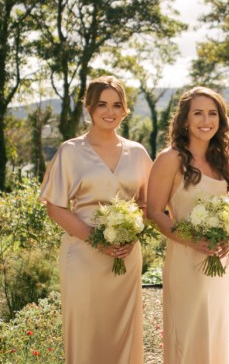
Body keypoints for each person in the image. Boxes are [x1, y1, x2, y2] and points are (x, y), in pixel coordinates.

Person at [40, 75, 151, 363]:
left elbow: (147, 203)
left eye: (117, 105)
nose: (109, 111)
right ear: (88, 107)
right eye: (101, 104)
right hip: (83, 255)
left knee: (123, 331)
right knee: (86, 330)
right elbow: (56, 208)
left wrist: (133, 232)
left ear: (125, 110)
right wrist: (96, 240)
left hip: (126, 255)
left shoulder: (138, 153)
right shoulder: (70, 151)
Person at [146, 86, 229, 364]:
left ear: (220, 121)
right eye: (198, 113)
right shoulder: (170, 159)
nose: (206, 120)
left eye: (212, 114)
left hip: (221, 263)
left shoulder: (224, 162)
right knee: (187, 335)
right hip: (185, 261)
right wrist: (191, 240)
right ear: (184, 120)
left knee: (216, 331)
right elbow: (153, 212)